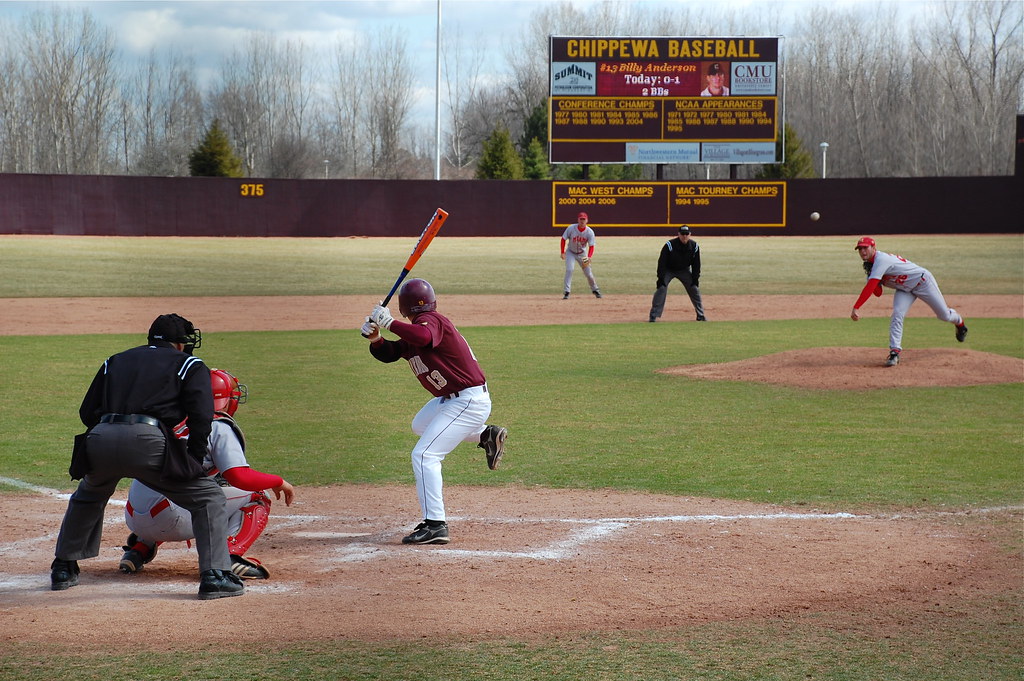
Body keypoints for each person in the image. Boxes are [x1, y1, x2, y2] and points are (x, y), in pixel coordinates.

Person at [51, 314, 244, 600]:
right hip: (149, 440)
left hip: (101, 437)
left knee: (89, 494)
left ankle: (63, 568)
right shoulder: (190, 364)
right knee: (209, 498)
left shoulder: (116, 360)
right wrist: (192, 460)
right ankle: (215, 575)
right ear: (180, 343)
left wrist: (109, 432)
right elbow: (202, 417)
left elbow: (86, 412)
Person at [362, 278, 507, 545]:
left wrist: (390, 322)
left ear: (404, 307)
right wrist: (376, 339)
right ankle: (485, 435)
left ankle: (435, 525)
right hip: (452, 400)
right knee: (420, 425)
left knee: (424, 455)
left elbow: (424, 337)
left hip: (467, 401)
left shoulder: (432, 321)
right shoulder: (417, 330)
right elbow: (391, 353)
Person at [119, 368, 295, 580]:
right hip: (171, 519)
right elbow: (239, 477)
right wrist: (278, 481)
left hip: (134, 515)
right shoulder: (217, 426)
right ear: (225, 401)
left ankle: (139, 548)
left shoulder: (163, 417)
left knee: (168, 486)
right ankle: (229, 556)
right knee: (257, 495)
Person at [851, 236, 968, 366]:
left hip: (923, 282)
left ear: (873, 248)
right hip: (904, 289)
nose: (862, 251)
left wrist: (856, 306)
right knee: (897, 314)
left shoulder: (881, 259)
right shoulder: (872, 268)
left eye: (865, 248)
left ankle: (960, 323)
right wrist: (874, 277)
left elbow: (870, 287)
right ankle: (894, 353)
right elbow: (878, 293)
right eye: (860, 249)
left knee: (944, 315)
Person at [649, 225, 706, 322]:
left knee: (694, 289)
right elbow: (662, 262)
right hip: (669, 269)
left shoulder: (694, 246)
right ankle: (653, 315)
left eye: (686, 234)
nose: (684, 236)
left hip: (684, 270)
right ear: (678, 234)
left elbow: (696, 264)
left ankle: (700, 315)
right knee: (661, 288)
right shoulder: (669, 245)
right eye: (682, 234)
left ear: (690, 234)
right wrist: (661, 278)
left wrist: (695, 278)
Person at [560, 211, 602, 299]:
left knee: (588, 273)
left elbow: (591, 246)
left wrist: (589, 256)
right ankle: (567, 291)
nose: (582, 221)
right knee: (569, 270)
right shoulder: (571, 228)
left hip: (583, 254)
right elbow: (563, 239)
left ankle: (595, 289)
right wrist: (562, 252)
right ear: (578, 220)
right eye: (581, 219)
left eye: (584, 219)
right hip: (570, 252)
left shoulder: (589, 232)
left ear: (587, 220)